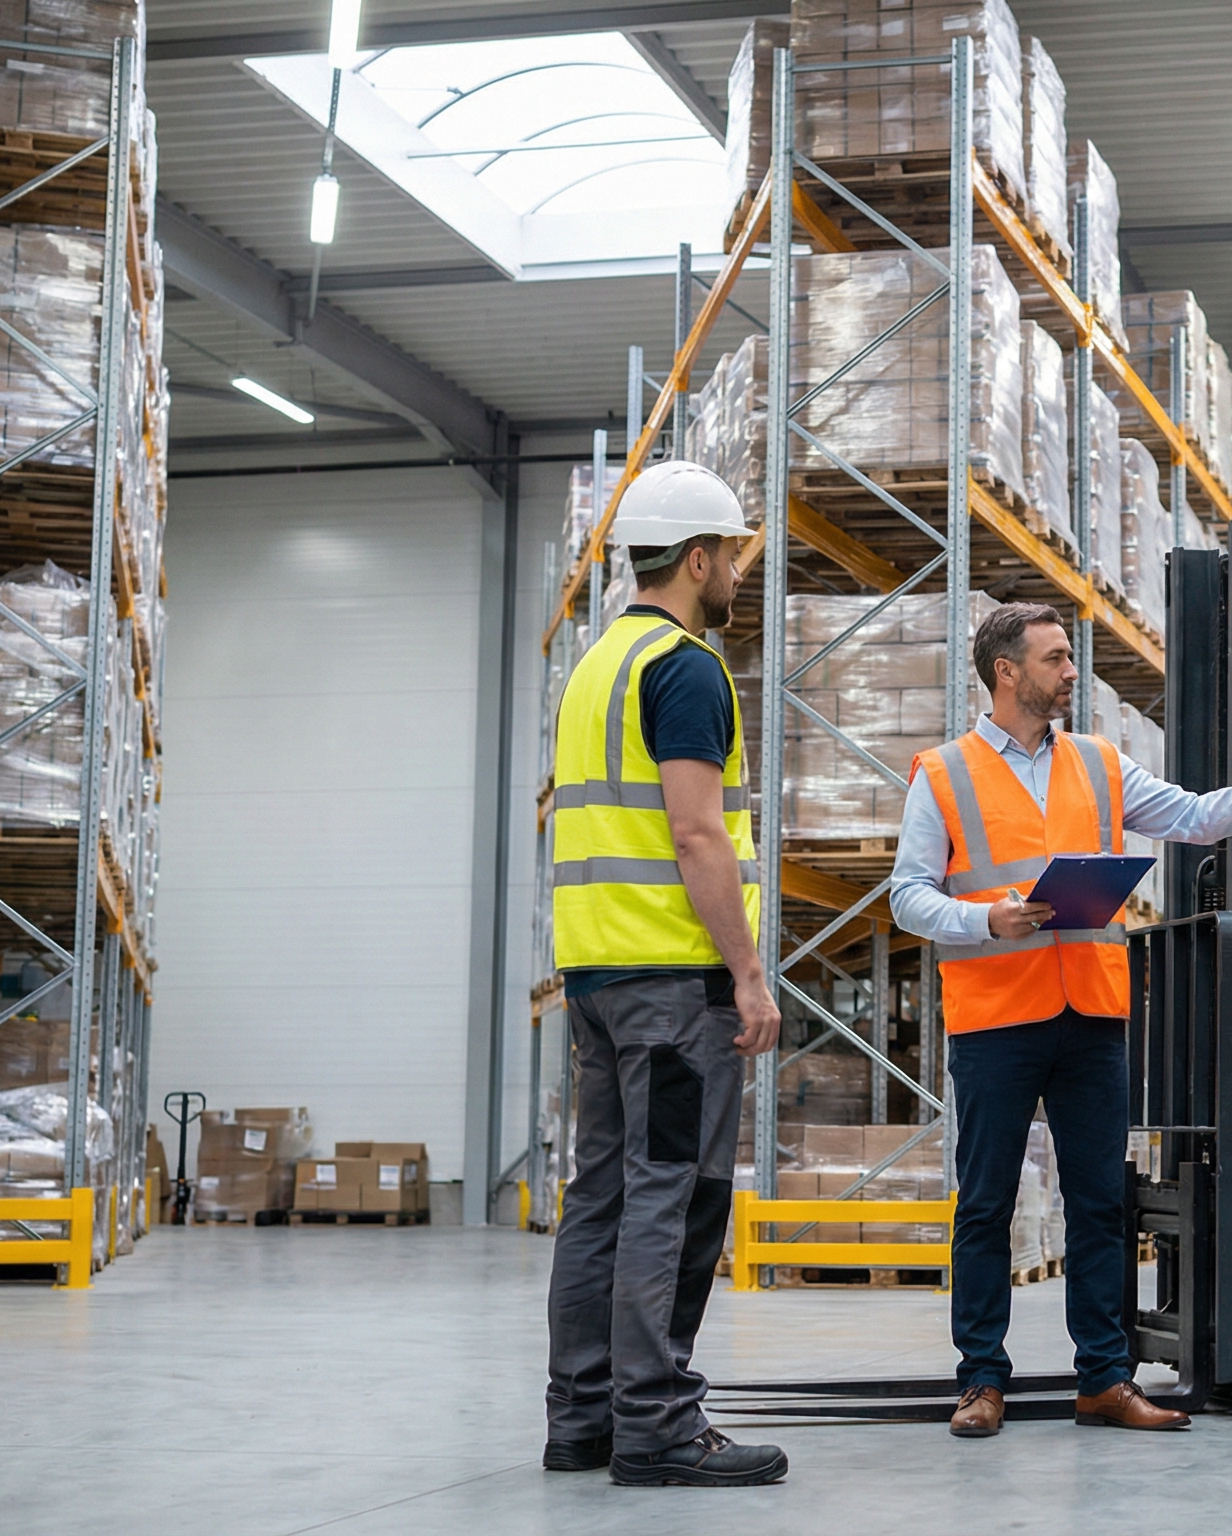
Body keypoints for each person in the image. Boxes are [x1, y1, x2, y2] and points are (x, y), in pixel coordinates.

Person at [890, 602, 1232, 1439]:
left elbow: (1198, 818)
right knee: (985, 1204)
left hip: (1092, 1015)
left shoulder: (1099, 763)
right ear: (1007, 672)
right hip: (995, 1019)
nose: (1072, 671)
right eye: (1056, 658)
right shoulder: (945, 773)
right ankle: (981, 1381)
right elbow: (907, 897)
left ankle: (1103, 1380)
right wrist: (986, 918)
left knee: (1101, 1202)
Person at [543, 461, 789, 1489]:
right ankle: (655, 1423)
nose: (736, 572)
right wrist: (748, 974)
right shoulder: (684, 669)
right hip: (673, 982)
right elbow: (696, 833)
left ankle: (582, 1418)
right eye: (729, 554)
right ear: (695, 560)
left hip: (597, 974)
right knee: (673, 1196)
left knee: (599, 1196)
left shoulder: (596, 665)